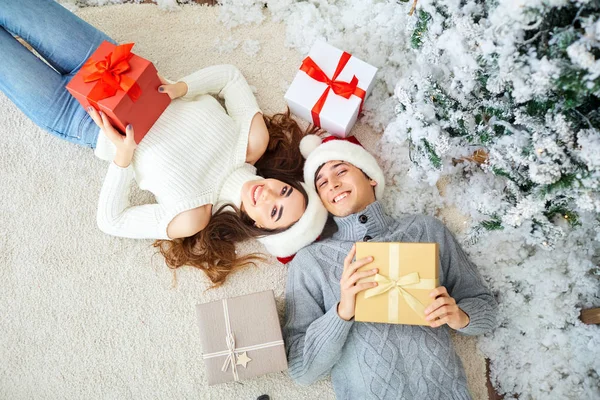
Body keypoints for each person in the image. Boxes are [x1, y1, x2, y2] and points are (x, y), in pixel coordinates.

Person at [0, 0, 328, 287]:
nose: (269, 195)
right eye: (284, 190)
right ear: (283, 180)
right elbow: (229, 76)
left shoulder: (193, 217)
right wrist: (182, 88)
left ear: (260, 226)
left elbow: (110, 221)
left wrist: (123, 158)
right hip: (115, 68)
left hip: (76, 118)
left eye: (274, 211)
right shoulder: (253, 141)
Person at [283, 135, 499, 399]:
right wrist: (342, 312)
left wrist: (460, 315)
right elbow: (301, 370)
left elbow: (486, 309)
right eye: (322, 183)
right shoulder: (310, 262)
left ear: (371, 176)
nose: (334, 184)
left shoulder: (424, 229)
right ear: (322, 201)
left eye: (341, 170)